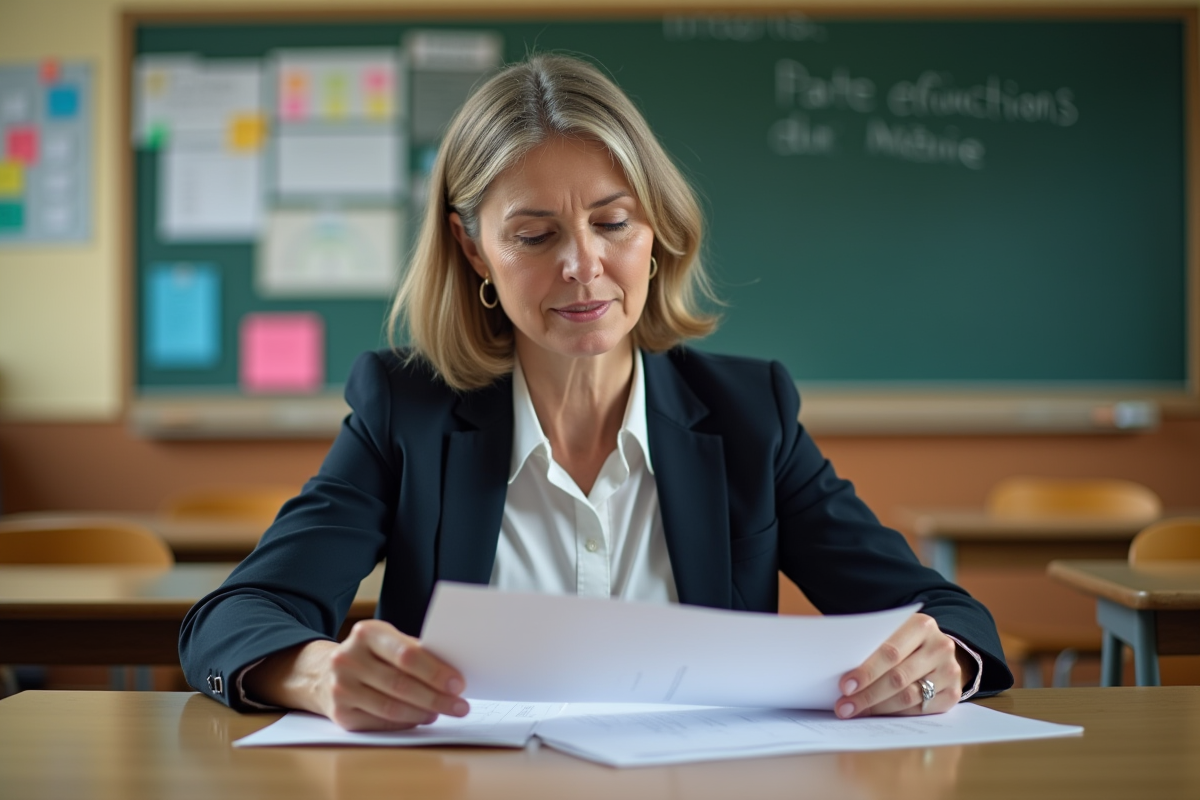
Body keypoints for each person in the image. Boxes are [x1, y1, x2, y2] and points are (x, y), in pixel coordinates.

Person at [180, 54, 1013, 731]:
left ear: (655, 232)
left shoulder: (749, 415)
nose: (583, 265)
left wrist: (938, 661)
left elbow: (946, 615)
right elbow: (235, 616)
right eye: (534, 235)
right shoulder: (408, 411)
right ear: (474, 250)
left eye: (613, 223)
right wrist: (318, 672)